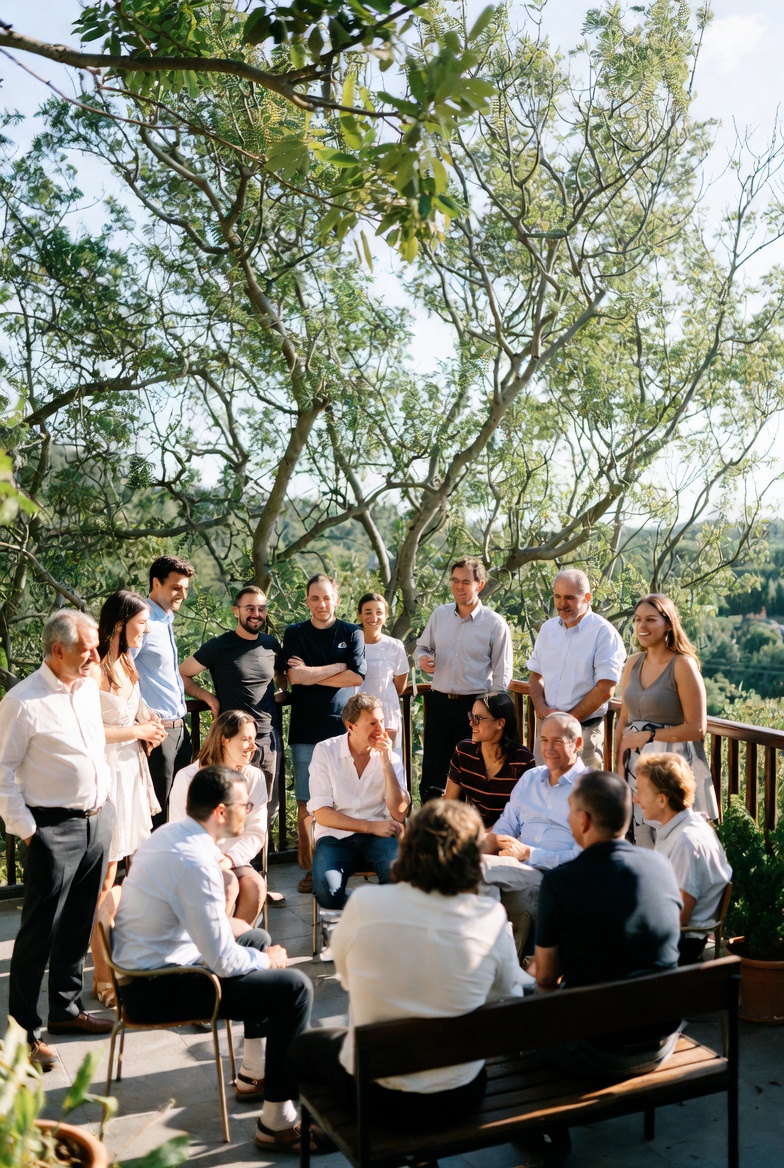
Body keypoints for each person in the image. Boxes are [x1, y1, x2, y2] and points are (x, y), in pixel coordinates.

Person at [288, 799, 523, 1125]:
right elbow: (506, 993)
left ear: (409, 847)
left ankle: (302, 1129)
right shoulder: (489, 915)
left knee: (303, 1050)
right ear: (473, 858)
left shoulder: (365, 904)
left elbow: (345, 976)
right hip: (458, 1097)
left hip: (377, 1096)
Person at [113, 765, 314, 1146]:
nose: (249, 811)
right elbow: (223, 962)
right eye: (244, 805)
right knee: (294, 988)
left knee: (255, 937)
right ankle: (277, 1123)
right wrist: (268, 961)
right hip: (155, 990)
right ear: (221, 812)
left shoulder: (171, 835)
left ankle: (254, 1073)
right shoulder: (194, 862)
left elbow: (195, 924)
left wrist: (244, 941)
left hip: (151, 970)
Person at [0, 610, 114, 1070]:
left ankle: (65, 1011)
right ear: (58, 650)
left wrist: (107, 808)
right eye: (88, 649)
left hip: (97, 821)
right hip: (52, 829)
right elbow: (1, 774)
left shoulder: (85, 687)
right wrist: (32, 834)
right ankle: (22, 1038)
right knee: (38, 936)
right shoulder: (22, 701)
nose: (96, 656)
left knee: (78, 925)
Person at [532, 769, 683, 1079]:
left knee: (515, 1012)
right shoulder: (661, 865)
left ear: (584, 820)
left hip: (598, 1051)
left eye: (570, 810)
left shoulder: (560, 882)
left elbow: (546, 979)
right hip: (661, 1041)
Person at [89, 590, 167, 1008]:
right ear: (120, 625)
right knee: (104, 881)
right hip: (106, 778)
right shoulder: (93, 669)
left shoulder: (127, 662)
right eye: (142, 623)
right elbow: (88, 729)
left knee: (133, 874)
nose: (147, 630)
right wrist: (138, 731)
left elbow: (136, 710)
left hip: (133, 775)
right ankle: (102, 977)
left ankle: (130, 961)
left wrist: (150, 724)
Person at [281, 573, 366, 893]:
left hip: (344, 730)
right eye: (315, 598)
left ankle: (342, 862)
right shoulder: (295, 633)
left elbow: (356, 677)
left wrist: (311, 674)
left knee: (343, 800)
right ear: (307, 601)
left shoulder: (352, 632)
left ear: (337, 600)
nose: (321, 604)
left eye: (327, 597)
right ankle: (310, 869)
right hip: (306, 729)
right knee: (307, 803)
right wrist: (337, 667)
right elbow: (295, 678)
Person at [614, 592, 716, 847]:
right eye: (637, 620)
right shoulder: (632, 663)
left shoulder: (682, 665)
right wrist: (618, 767)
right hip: (635, 767)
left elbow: (698, 728)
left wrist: (649, 736)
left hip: (672, 768)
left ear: (668, 624)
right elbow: (623, 720)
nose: (642, 626)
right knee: (639, 843)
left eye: (651, 620)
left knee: (673, 841)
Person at [179, 584, 286, 823]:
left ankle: (258, 849)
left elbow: (281, 673)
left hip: (268, 739)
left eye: (261, 609)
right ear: (236, 611)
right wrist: (207, 697)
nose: (256, 614)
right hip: (233, 740)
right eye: (249, 608)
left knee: (266, 808)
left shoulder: (271, 644)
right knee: (230, 806)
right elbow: (182, 673)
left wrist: (282, 689)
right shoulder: (220, 646)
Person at [415, 557, 513, 804]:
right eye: (455, 580)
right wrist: (422, 658)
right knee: (433, 772)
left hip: (475, 708)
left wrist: (489, 714)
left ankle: (466, 826)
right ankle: (433, 824)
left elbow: (502, 676)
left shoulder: (495, 624)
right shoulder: (439, 615)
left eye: (466, 582)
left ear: (480, 584)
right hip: (438, 703)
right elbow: (422, 647)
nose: (459, 587)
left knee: (471, 772)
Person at [170, 710, 268, 936]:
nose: (253, 746)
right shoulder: (188, 777)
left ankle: (236, 946)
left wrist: (230, 859)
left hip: (235, 857)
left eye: (254, 739)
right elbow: (182, 831)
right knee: (228, 886)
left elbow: (256, 831)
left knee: (255, 886)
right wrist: (216, 861)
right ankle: (210, 948)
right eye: (246, 739)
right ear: (225, 739)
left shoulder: (254, 777)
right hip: (195, 859)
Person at [308, 693, 409, 911]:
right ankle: (367, 911)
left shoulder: (391, 757)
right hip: (335, 835)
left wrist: (386, 762)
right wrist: (370, 826)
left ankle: (376, 917)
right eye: (372, 723)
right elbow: (322, 813)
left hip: (380, 837)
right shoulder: (325, 751)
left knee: (398, 880)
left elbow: (399, 813)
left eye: (382, 721)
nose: (381, 729)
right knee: (327, 894)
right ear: (350, 726)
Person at [481, 712, 587, 919]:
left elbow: (584, 857)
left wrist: (530, 854)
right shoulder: (530, 778)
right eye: (544, 740)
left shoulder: (589, 788)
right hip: (517, 866)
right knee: (462, 863)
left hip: (555, 875)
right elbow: (506, 824)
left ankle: (493, 932)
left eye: (557, 741)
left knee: (478, 871)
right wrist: (490, 842)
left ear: (577, 743)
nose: (549, 749)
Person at [634, 753, 732, 964]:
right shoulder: (686, 826)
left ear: (662, 800)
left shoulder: (686, 843)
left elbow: (678, 918)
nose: (636, 799)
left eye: (640, 791)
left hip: (678, 945)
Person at [527, 570, 626, 769]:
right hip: (547, 729)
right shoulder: (548, 629)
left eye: (569, 598)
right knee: (544, 784)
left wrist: (567, 721)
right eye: (557, 596)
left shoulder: (604, 633)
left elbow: (606, 688)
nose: (562, 604)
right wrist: (542, 708)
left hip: (584, 733)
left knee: (585, 788)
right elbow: (536, 675)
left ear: (587, 598)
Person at [133, 554, 196, 827]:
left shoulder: (166, 619)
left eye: (185, 588)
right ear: (156, 583)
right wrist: (142, 717)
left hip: (179, 729)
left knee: (182, 810)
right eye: (176, 587)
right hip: (157, 733)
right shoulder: (142, 621)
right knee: (157, 815)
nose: (182, 594)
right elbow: (123, 672)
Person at [445, 692, 535, 828]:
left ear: (500, 723)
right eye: (471, 716)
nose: (471, 723)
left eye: (478, 718)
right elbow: (448, 802)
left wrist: (485, 835)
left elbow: (525, 815)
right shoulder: (464, 751)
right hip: (471, 831)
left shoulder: (523, 761)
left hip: (509, 833)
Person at [356, 592, 408, 744]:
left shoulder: (395, 646)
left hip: (387, 716)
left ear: (386, 616)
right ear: (359, 615)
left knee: (387, 756)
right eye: (368, 612)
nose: (374, 617)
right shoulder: (351, 645)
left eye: (379, 612)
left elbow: (400, 686)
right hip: (357, 716)